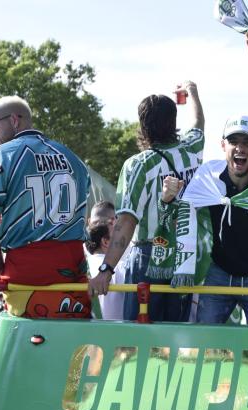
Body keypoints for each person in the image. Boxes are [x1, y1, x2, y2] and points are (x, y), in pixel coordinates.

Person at [88, 81, 205, 322]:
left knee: (140, 333)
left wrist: (106, 269)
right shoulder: (192, 151)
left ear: (143, 126)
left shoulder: (138, 165)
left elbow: (126, 221)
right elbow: (198, 124)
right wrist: (192, 93)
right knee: (177, 332)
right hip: (184, 255)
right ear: (173, 123)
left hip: (149, 257)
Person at [168, 116, 248, 325]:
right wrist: (168, 199)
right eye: (233, 141)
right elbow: (180, 220)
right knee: (205, 342)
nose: (240, 148)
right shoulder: (207, 177)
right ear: (223, 145)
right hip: (219, 272)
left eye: (247, 142)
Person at [0, 95, 91, 319]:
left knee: (30, 341)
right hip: (72, 265)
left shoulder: (0, 157)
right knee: (73, 340)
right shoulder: (73, 158)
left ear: (15, 120)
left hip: (26, 268)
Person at [85, 223, 126, 320]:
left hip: (87, 330)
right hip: (118, 331)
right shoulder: (120, 267)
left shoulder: (81, 268)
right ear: (105, 242)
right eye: (116, 235)